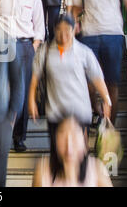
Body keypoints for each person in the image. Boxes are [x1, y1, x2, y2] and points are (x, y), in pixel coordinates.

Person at [0, 0, 45, 185]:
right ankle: (1, 136)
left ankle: (19, 137)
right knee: (1, 91)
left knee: (21, 92)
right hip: (1, 45)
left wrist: (33, 46)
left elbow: (39, 28)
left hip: (24, 46)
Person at [28, 15, 112, 154]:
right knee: (58, 153)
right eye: (59, 30)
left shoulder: (84, 52)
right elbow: (35, 77)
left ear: (74, 30)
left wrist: (107, 100)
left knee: (80, 153)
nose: (63, 34)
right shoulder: (45, 51)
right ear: (54, 30)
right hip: (56, 111)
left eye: (67, 30)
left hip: (79, 111)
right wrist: (31, 100)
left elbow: (97, 78)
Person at [33, 117, 113, 187]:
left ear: (84, 139)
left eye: (74, 135)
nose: (69, 146)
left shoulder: (96, 169)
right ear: (55, 141)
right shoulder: (43, 170)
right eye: (62, 135)